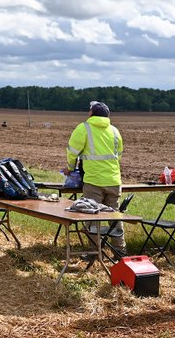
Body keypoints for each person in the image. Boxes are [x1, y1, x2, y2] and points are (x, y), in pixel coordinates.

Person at [66, 101, 125, 256]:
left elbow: (72, 152)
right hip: (114, 180)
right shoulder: (114, 131)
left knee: (92, 217)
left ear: (91, 114)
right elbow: (118, 154)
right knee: (115, 216)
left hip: (93, 180)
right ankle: (120, 250)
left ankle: (94, 252)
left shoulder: (83, 128)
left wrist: (71, 168)